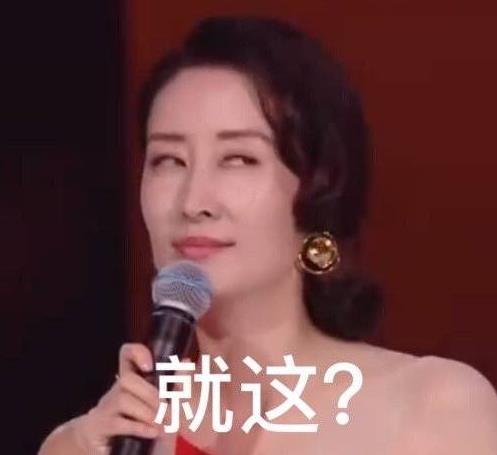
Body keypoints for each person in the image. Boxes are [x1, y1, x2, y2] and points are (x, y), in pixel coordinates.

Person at [39, 15, 497, 455]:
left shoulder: (432, 410)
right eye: (169, 160)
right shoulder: (96, 442)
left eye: (238, 159)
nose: (193, 201)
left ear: (318, 189)